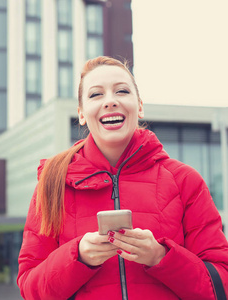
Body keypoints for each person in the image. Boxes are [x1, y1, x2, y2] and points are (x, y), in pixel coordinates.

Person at [17, 56, 228, 299]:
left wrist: (161, 257)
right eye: (96, 95)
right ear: (82, 114)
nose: (110, 101)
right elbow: (31, 290)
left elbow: (221, 284)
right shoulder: (53, 184)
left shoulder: (185, 181)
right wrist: (77, 256)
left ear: (139, 106)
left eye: (122, 91)